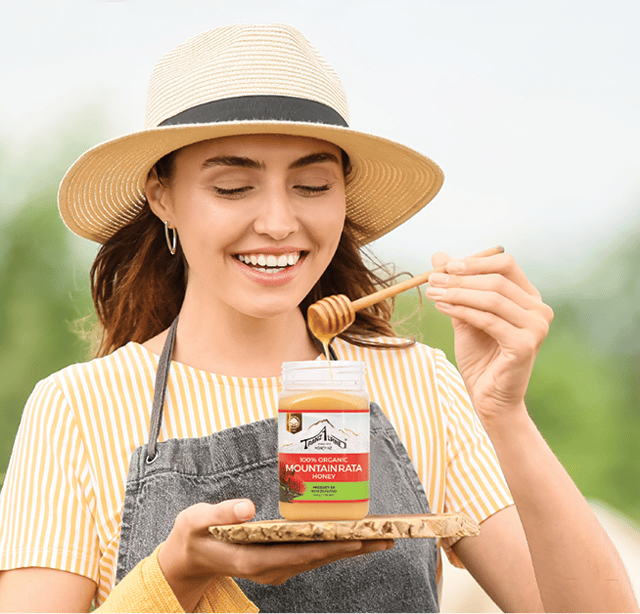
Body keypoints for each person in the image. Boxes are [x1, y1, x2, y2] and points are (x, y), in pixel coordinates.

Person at [0, 23, 636, 614]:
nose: (279, 223)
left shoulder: (421, 384)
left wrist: (505, 414)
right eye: (232, 187)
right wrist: (175, 574)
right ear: (162, 195)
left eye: (311, 186)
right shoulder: (77, 410)